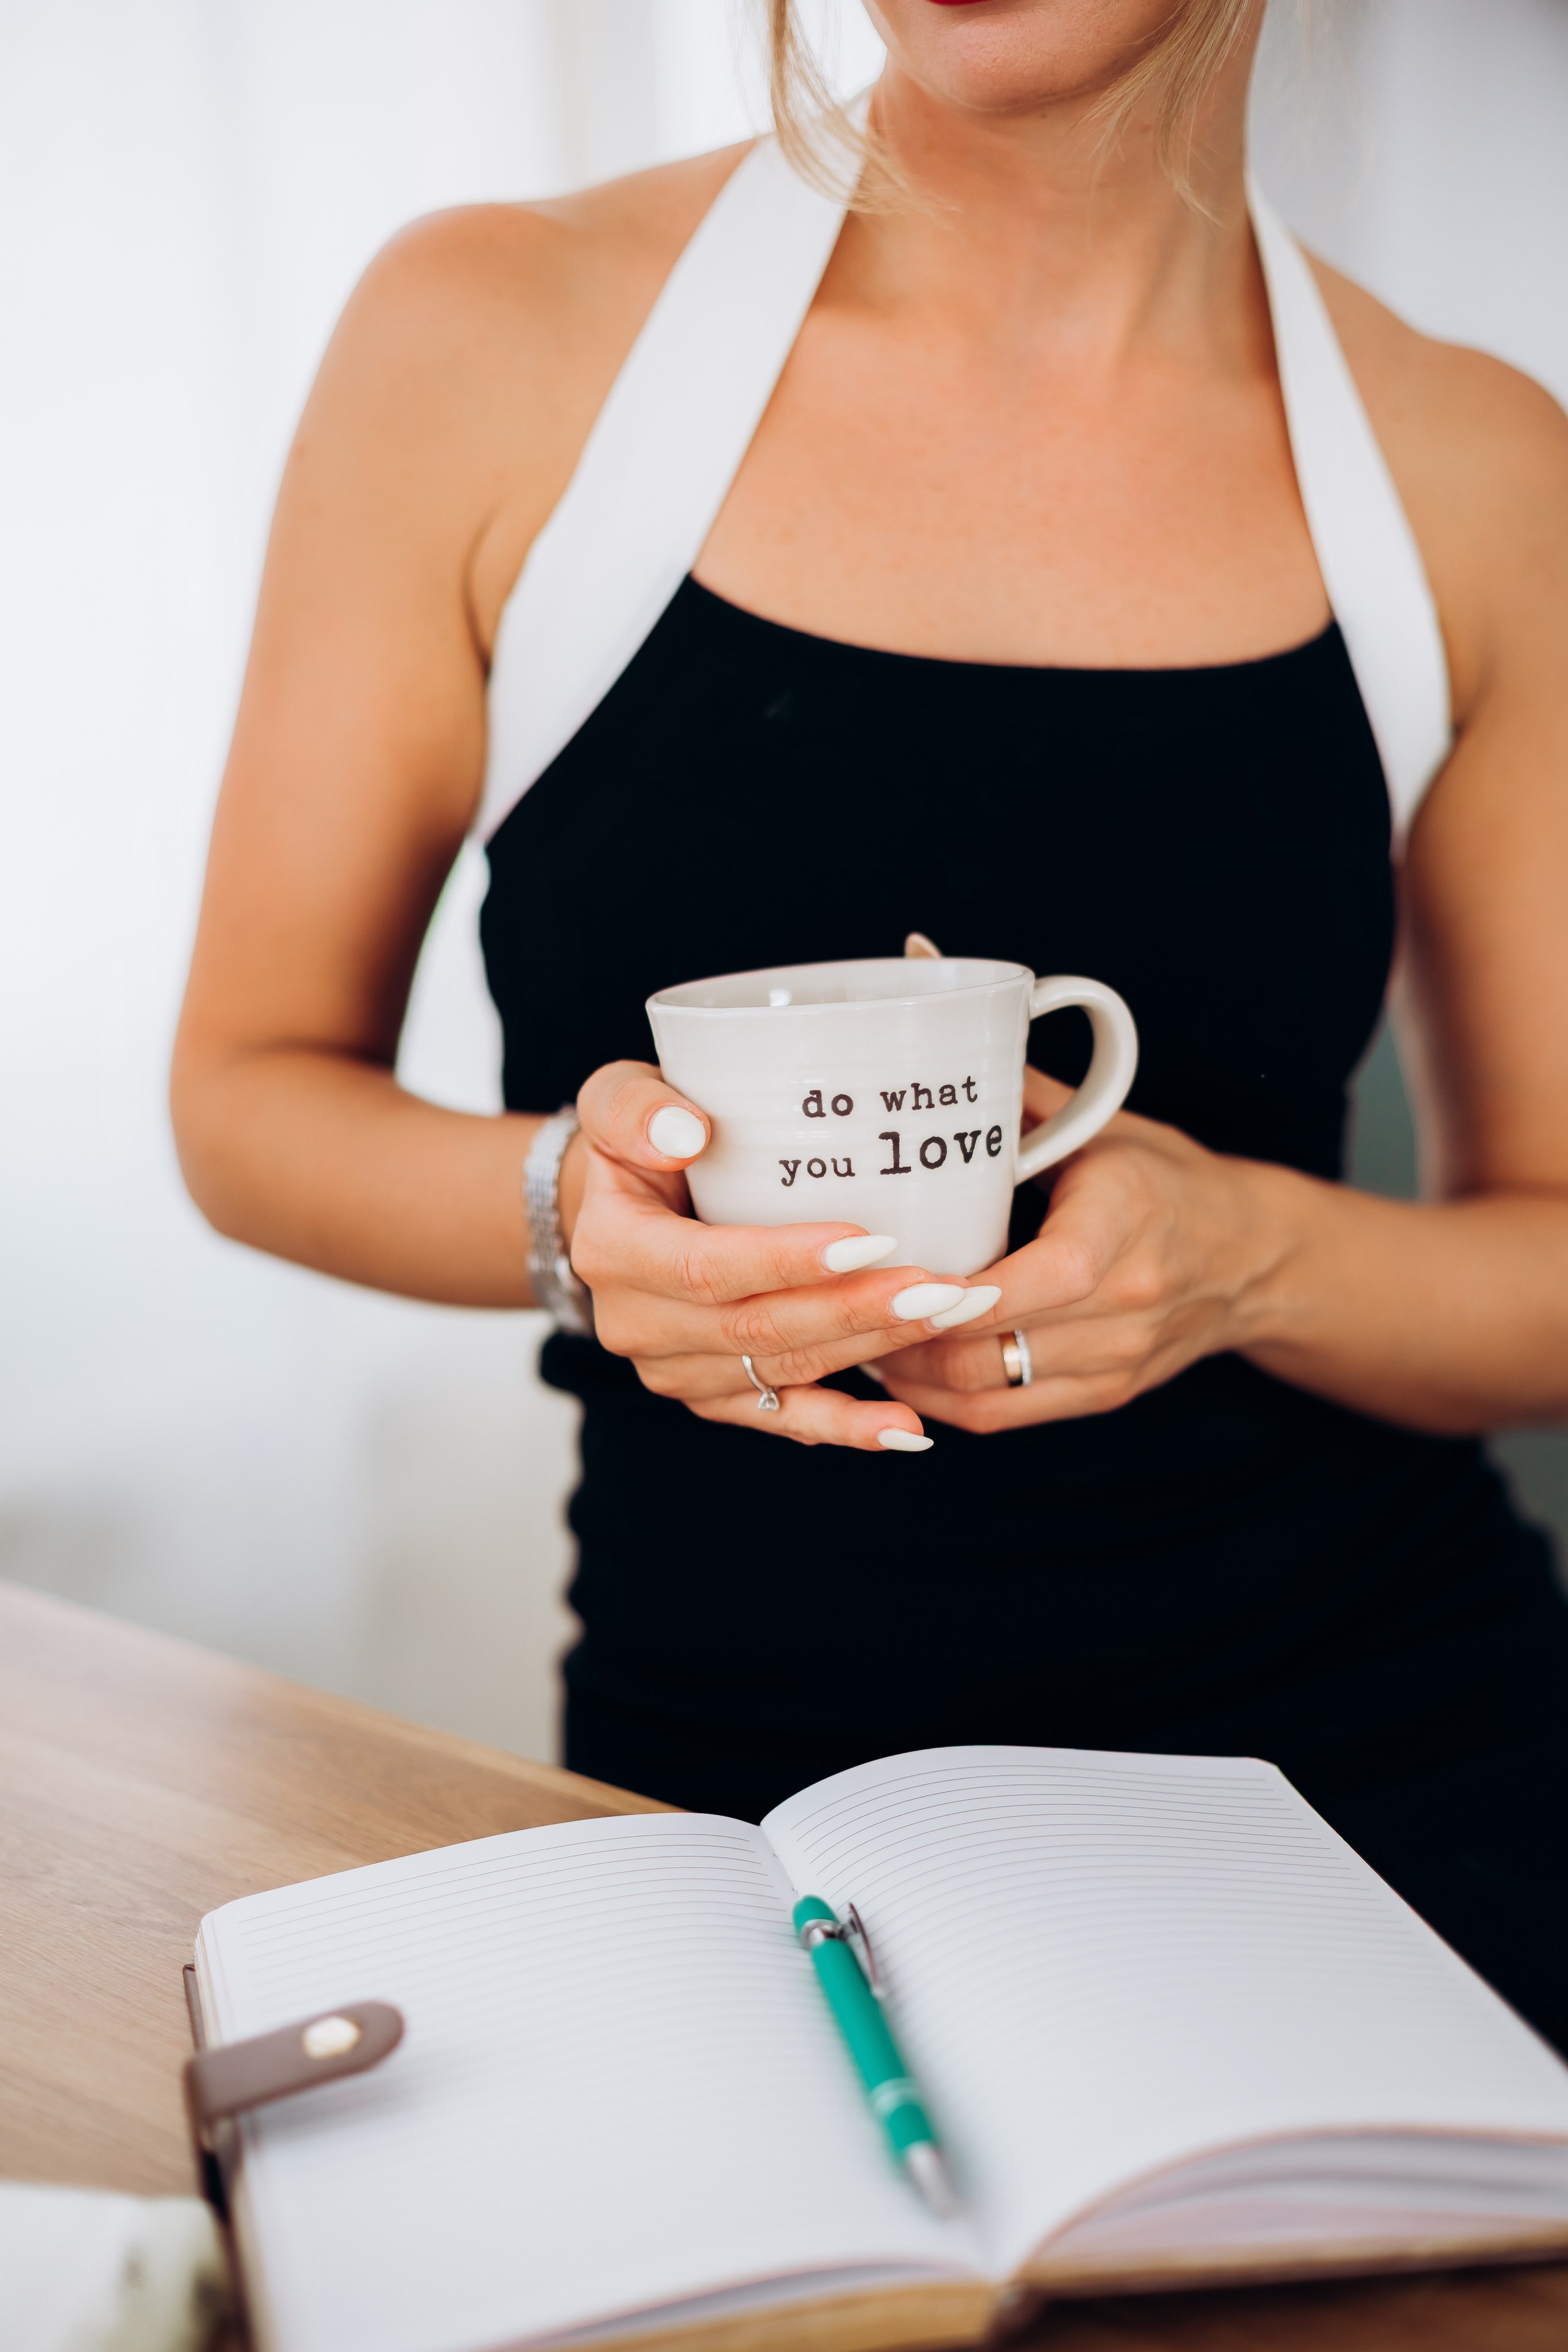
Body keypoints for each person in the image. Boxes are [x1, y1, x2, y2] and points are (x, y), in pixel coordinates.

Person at [171, 0, 1568, 2048]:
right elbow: (244, 1096)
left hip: (1394, 1802)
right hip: (747, 1814)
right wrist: (573, 1205)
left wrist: (1243, 1262)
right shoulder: (488, 340)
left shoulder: (1482, 472)